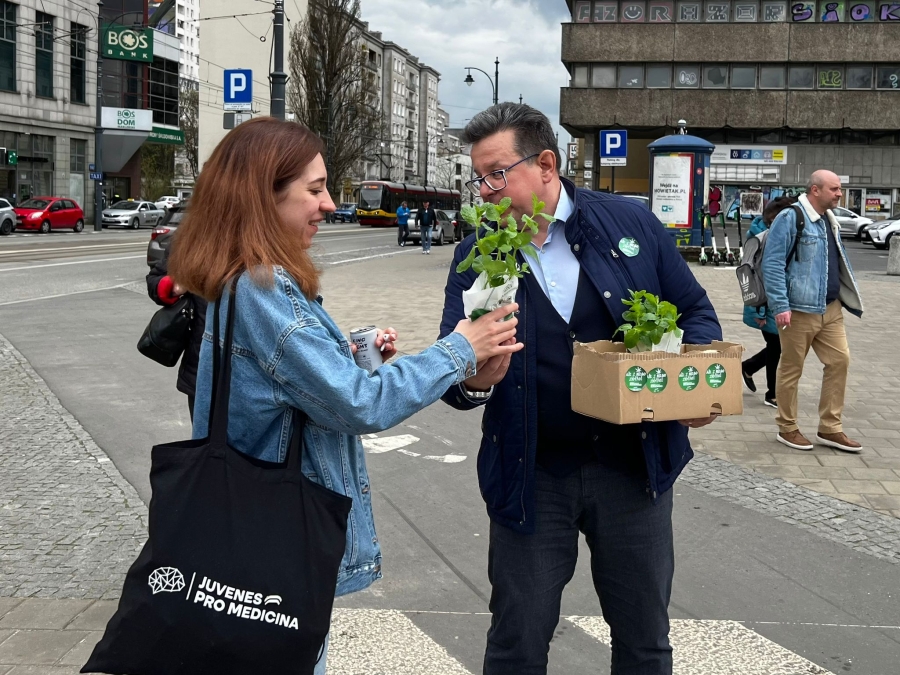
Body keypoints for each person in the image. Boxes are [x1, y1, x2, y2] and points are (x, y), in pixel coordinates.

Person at [168, 117, 523, 674]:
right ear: (263, 197)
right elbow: (360, 404)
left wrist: (353, 353)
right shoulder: (262, 289)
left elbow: (285, 384)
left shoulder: (243, 279)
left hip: (255, 537)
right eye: (314, 189)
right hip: (277, 547)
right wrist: (460, 348)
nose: (330, 204)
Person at [438, 103, 722, 675]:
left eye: (497, 174)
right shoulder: (477, 255)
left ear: (546, 164)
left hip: (634, 468)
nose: (485, 191)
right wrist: (473, 380)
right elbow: (452, 364)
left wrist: (690, 384)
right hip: (532, 474)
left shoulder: (629, 224)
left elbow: (695, 311)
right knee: (517, 643)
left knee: (644, 641)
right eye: (479, 178)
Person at [761, 170, 864, 453]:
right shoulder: (791, 217)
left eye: (839, 188)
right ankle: (787, 427)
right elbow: (772, 263)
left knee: (840, 361)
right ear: (815, 190)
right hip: (798, 310)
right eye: (834, 189)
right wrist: (780, 305)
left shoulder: (829, 219)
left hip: (831, 308)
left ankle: (830, 427)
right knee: (791, 368)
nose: (839, 194)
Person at [741, 196, 795, 409]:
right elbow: (759, 276)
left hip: (770, 302)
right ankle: (772, 394)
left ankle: (749, 367)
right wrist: (761, 312)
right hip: (764, 303)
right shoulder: (766, 237)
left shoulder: (765, 232)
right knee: (776, 347)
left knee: (777, 346)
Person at [146, 242, 208, 420]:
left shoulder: (263, 234)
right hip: (202, 366)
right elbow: (155, 280)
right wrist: (176, 284)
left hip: (255, 374)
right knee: (205, 434)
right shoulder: (192, 238)